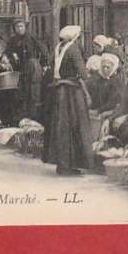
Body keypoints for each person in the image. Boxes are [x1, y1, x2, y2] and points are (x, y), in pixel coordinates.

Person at [42, 25, 94, 176]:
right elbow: (83, 74)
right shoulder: (74, 49)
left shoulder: (58, 47)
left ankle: (61, 164)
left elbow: (51, 68)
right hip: (71, 92)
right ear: (75, 37)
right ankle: (70, 165)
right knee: (75, 126)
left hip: (58, 91)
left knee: (60, 127)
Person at [4, 19, 48, 121]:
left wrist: (44, 65)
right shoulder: (12, 40)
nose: (20, 29)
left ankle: (33, 117)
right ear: (14, 29)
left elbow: (44, 51)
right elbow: (7, 52)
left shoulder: (32, 38)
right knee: (22, 93)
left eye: (21, 26)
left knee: (33, 93)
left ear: (25, 27)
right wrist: (6, 58)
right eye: (17, 27)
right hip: (20, 69)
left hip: (33, 67)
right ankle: (22, 117)